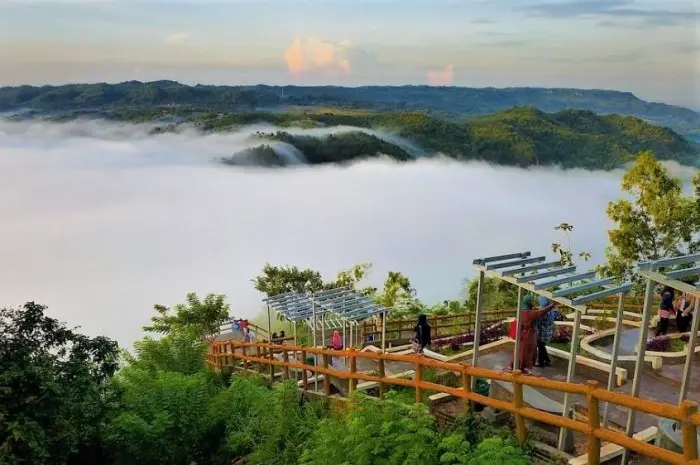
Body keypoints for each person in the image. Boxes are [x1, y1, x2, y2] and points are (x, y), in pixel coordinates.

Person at [513, 293, 553, 374]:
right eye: (532, 301)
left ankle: (516, 366)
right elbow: (542, 312)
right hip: (529, 336)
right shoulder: (530, 313)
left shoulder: (522, 311)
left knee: (521, 351)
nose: (533, 302)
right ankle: (524, 369)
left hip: (522, 336)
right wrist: (552, 305)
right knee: (527, 352)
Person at [534, 296, 557, 368]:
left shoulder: (544, 310)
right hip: (548, 331)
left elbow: (539, 320)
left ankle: (541, 363)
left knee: (540, 346)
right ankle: (547, 360)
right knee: (542, 345)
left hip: (542, 331)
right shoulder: (551, 310)